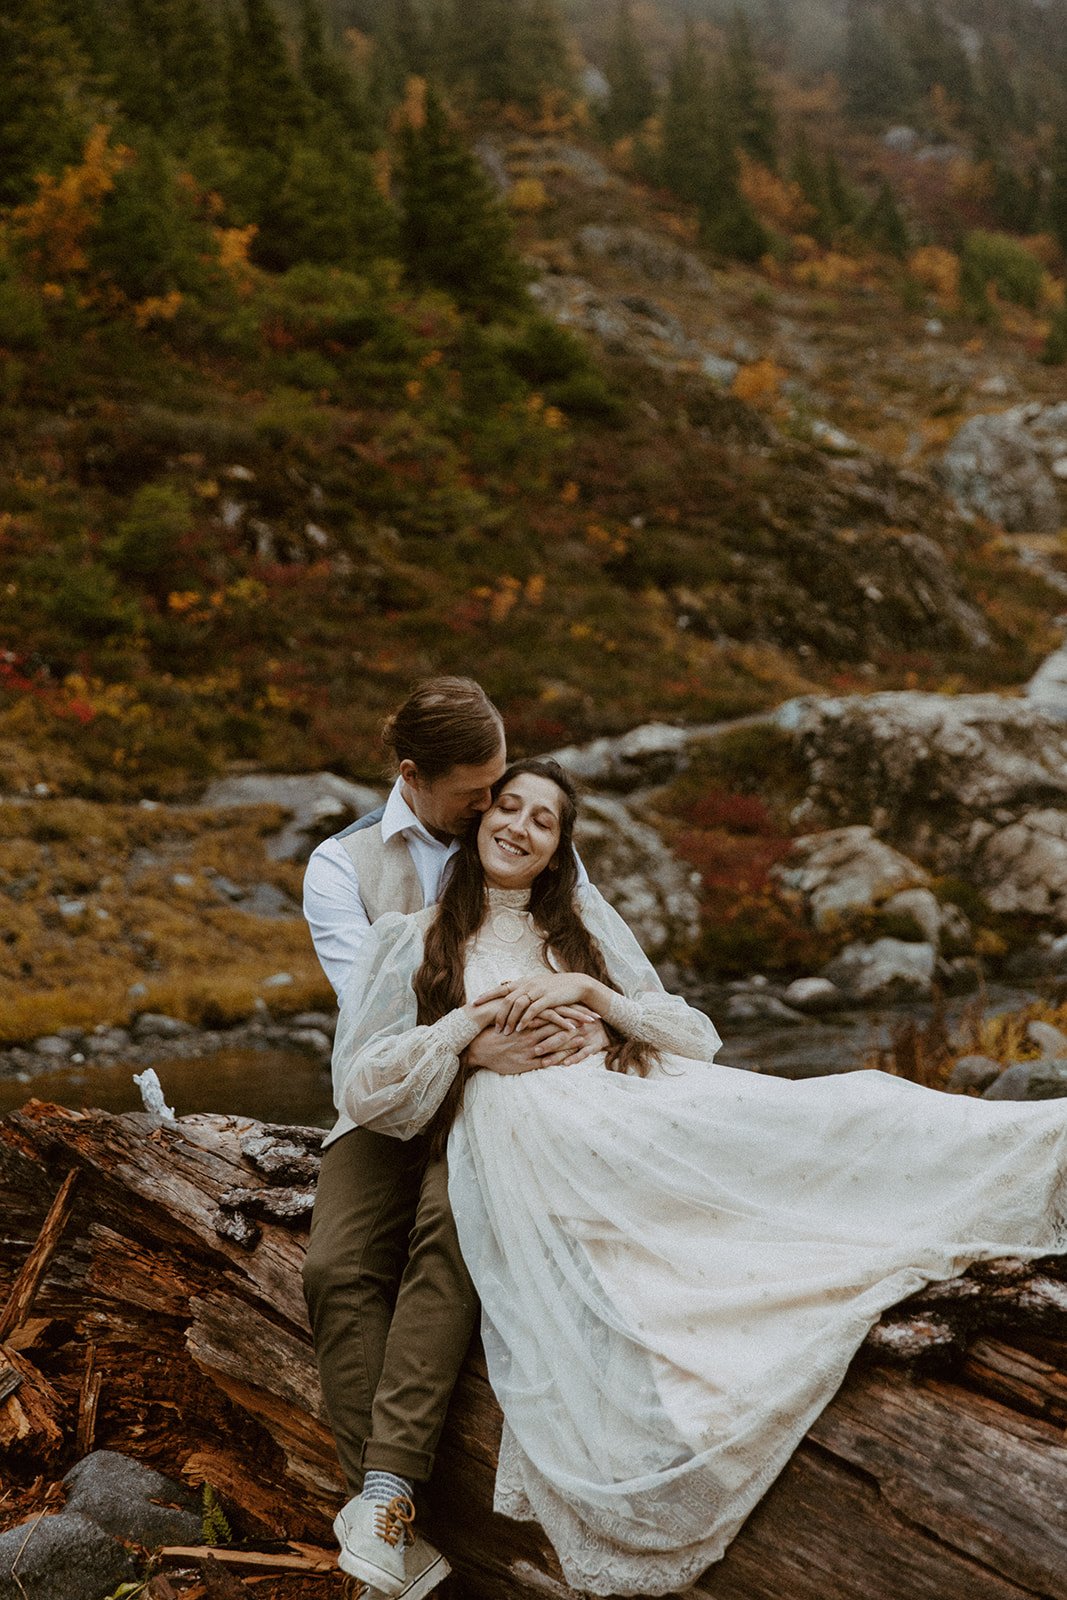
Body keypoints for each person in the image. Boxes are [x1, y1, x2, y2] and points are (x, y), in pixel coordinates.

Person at [330, 757, 1067, 1598]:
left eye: (544, 820)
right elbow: (363, 1083)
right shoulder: (413, 936)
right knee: (470, 1258)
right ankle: (385, 1502)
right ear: (476, 818)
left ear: (558, 848)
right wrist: (468, 1032)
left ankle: (1038, 1143)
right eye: (508, 807)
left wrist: (589, 994)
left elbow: (693, 1035)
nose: (520, 827)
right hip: (516, 1134)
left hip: (626, 1108)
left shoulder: (580, 934)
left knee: (842, 1112)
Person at [302, 681, 601, 1598]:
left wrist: (577, 1026)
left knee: (452, 1232)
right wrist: (472, 1047)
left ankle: (385, 1507)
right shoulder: (341, 867)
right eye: (479, 792)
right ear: (412, 777)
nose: (497, 806)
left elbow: (577, 954)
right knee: (336, 1269)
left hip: (505, 1104)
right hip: (393, 1096)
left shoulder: (522, 837)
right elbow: (373, 1024)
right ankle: (391, 1516)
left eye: (504, 782)